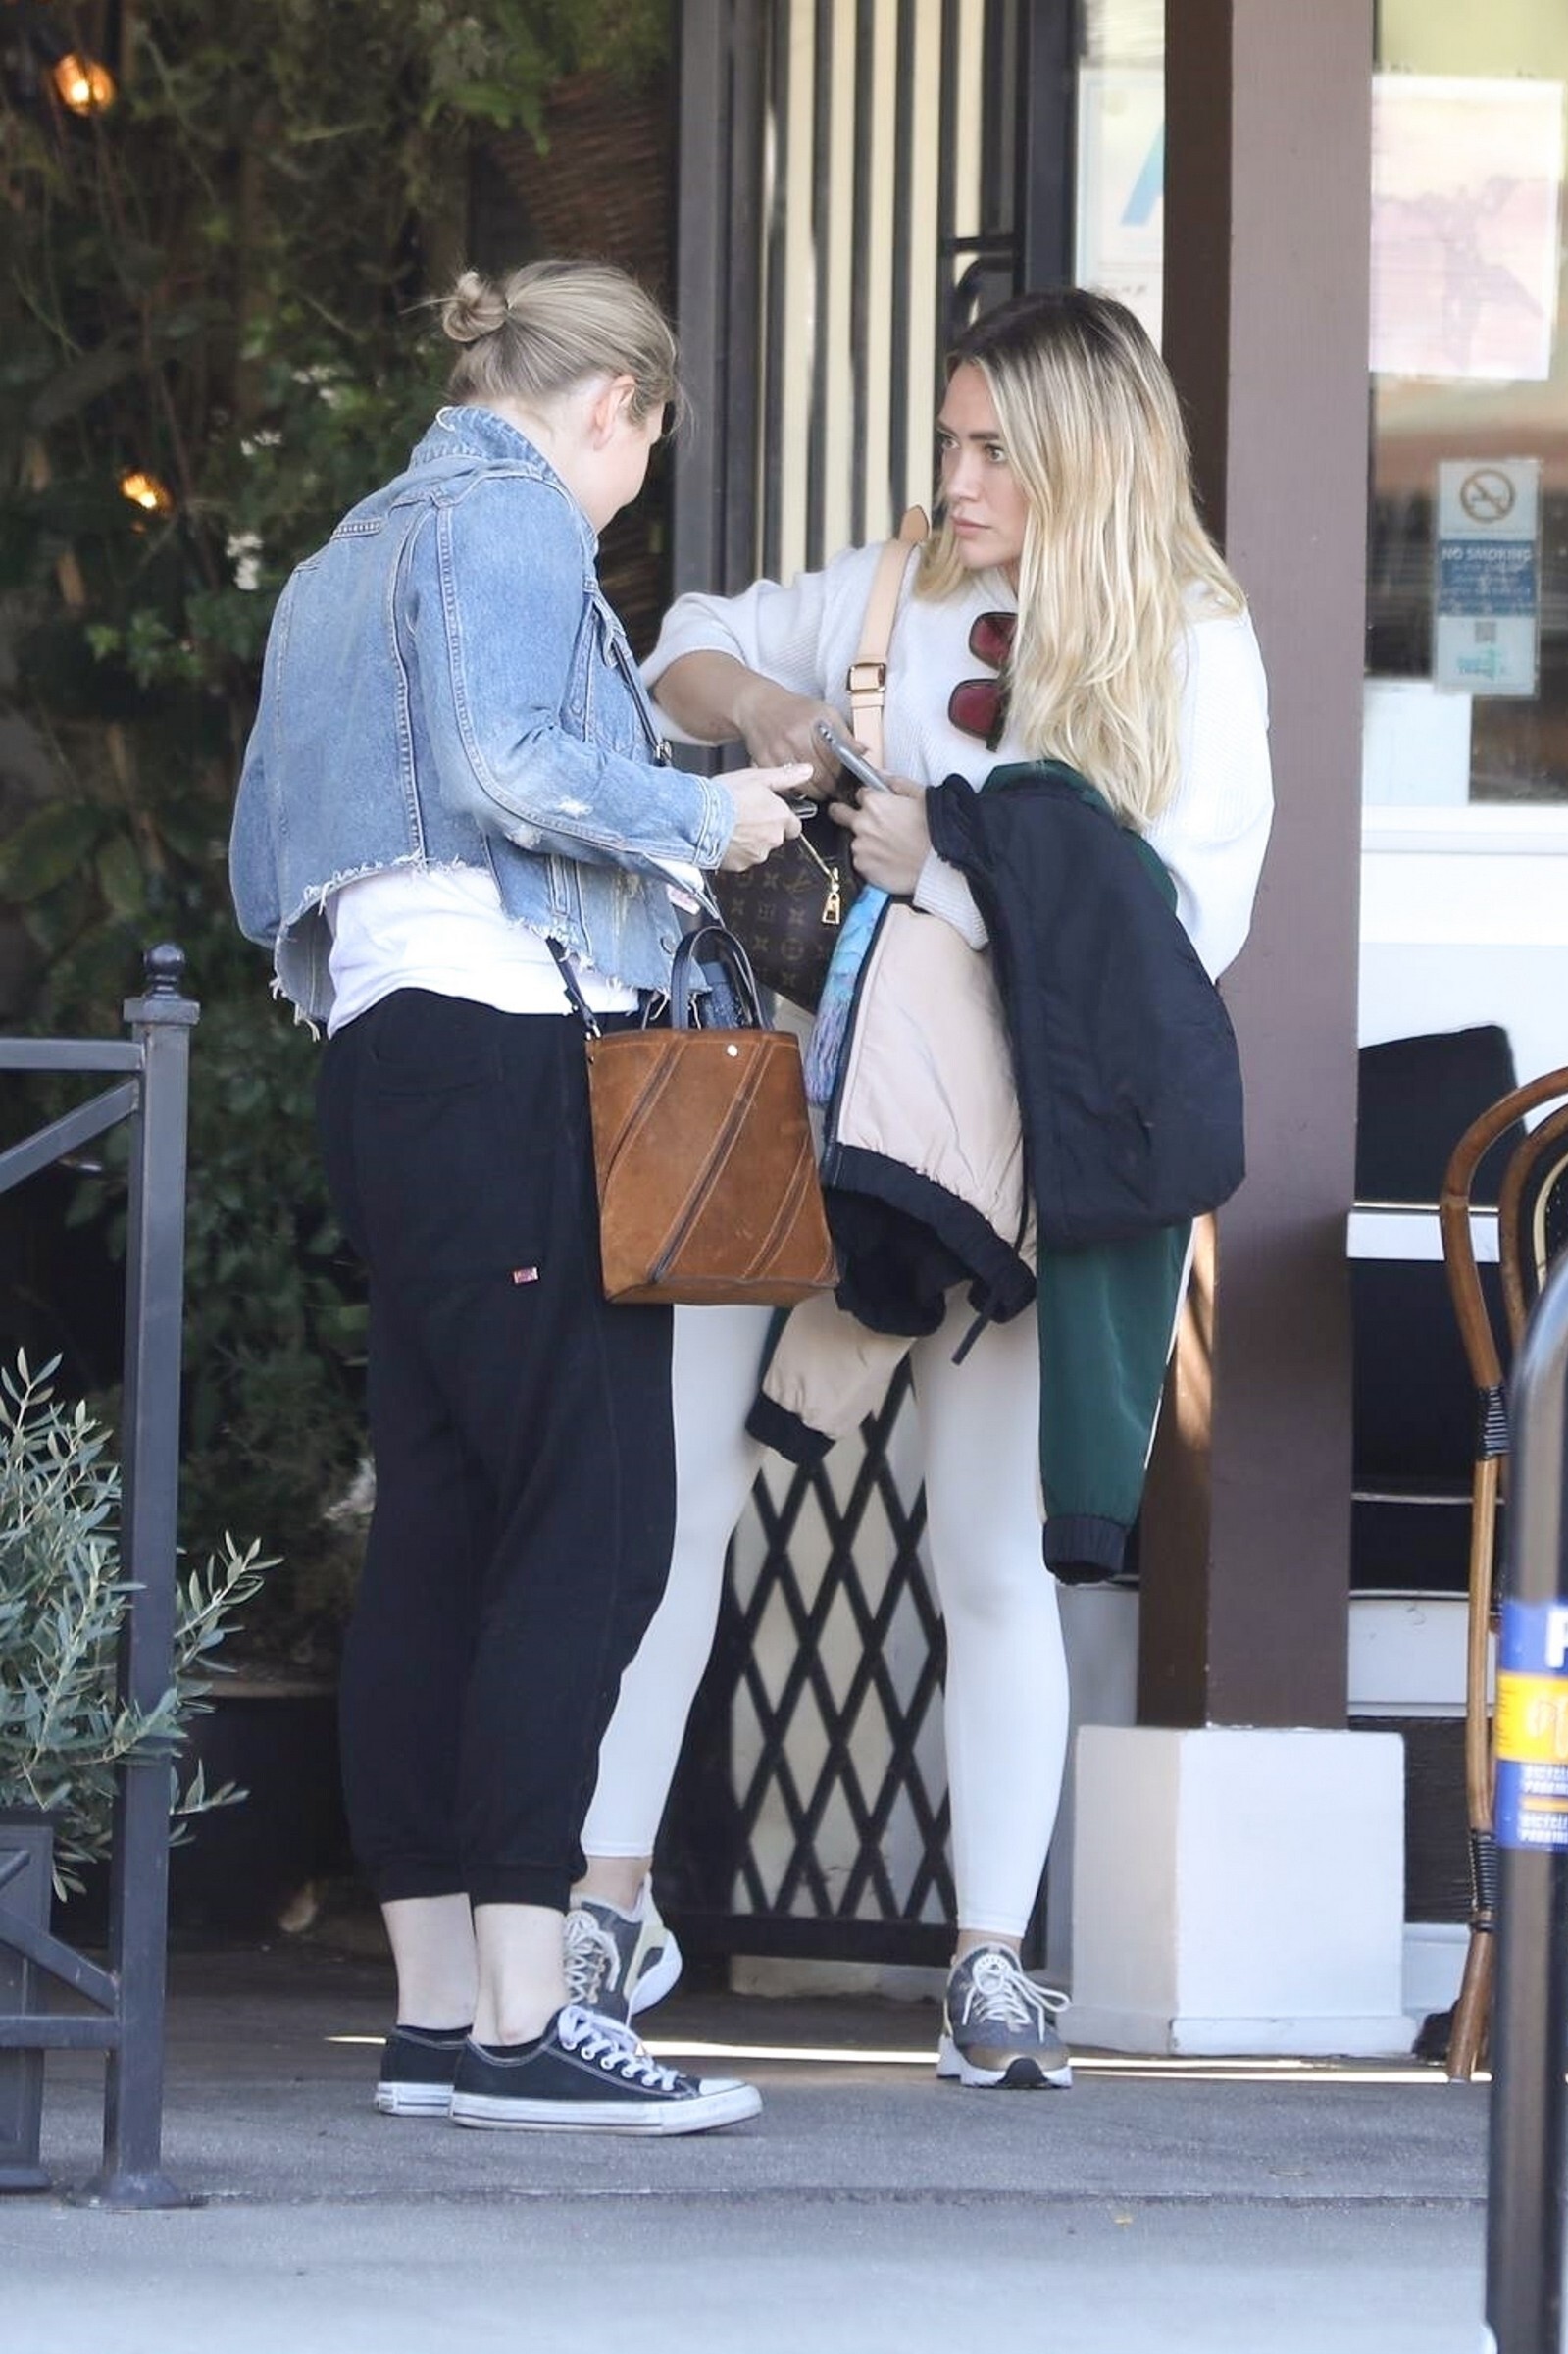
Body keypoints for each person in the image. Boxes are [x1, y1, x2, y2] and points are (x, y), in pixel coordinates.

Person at [567, 288, 1274, 2089]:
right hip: (790, 1110)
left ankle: (987, 1960)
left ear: (1086, 456)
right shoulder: (893, 588)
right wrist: (776, 705)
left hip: (1007, 1147)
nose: (955, 480)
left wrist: (944, 859)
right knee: (673, 1504)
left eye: (993, 451)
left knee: (988, 1552)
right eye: (949, 441)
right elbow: (681, 646)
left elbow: (1184, 937)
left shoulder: (1195, 646)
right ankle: (606, 1902)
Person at [228, 259, 815, 2134]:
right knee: (597, 1522)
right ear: (613, 406)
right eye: (645, 449)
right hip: (507, 1057)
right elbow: (507, 760)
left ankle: (435, 2014)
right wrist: (705, 814)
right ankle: (523, 2016)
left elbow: (267, 848)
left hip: (389, 1060)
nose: (630, 492)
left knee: (445, 1522)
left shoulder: (339, 558)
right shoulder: (511, 517)